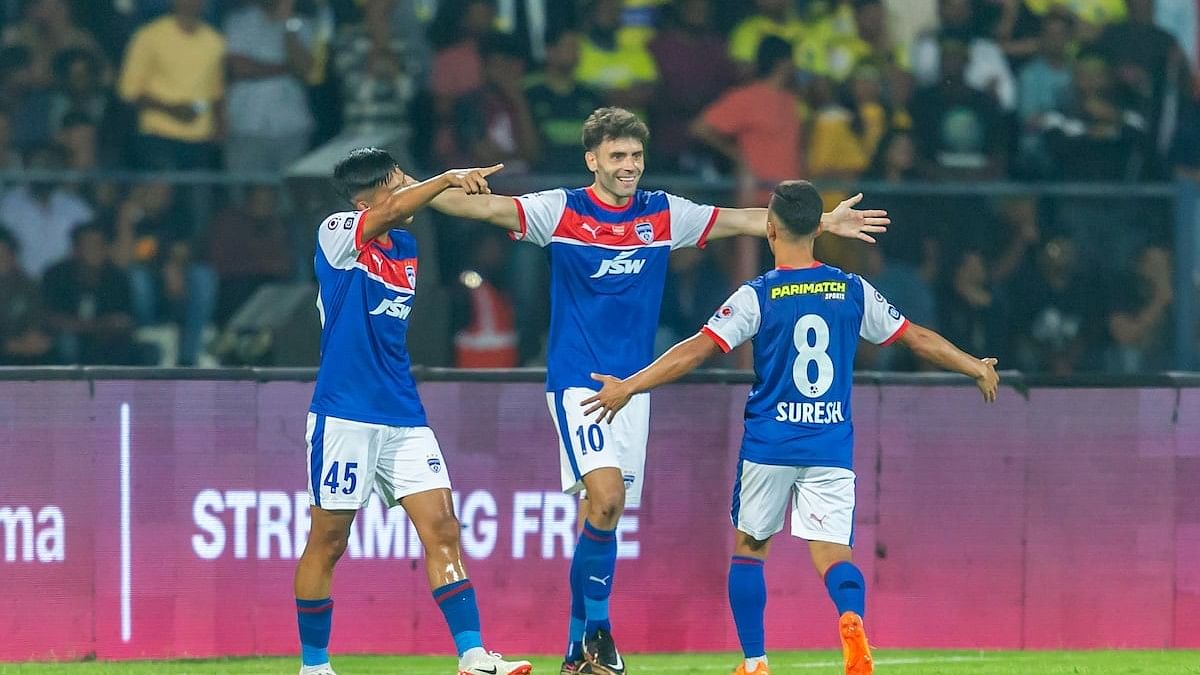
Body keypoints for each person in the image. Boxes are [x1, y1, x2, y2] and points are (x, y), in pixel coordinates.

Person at [415, 106, 888, 675]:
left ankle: (576, 652)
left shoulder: (664, 214)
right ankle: (601, 631)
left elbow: (742, 219)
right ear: (592, 160)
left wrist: (818, 223)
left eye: (636, 156)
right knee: (608, 497)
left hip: (634, 390)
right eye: (617, 156)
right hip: (580, 384)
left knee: (603, 513)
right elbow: (480, 206)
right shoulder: (560, 209)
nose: (629, 166)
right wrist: (426, 187)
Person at [581, 180, 999, 675]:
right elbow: (917, 338)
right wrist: (974, 365)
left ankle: (756, 663)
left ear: (770, 228)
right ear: (816, 230)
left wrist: (630, 385)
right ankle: (851, 621)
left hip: (770, 443)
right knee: (832, 552)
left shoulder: (758, 296)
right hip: (830, 444)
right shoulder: (852, 289)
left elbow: (696, 349)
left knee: (751, 549)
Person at [294, 148, 531, 675]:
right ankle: (314, 667)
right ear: (367, 198)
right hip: (344, 413)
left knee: (443, 528)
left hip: (403, 412)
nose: (407, 187)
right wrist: (446, 175)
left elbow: (400, 211)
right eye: (396, 181)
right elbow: (383, 213)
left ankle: (472, 656)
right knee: (329, 540)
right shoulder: (337, 231)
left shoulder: (405, 245)